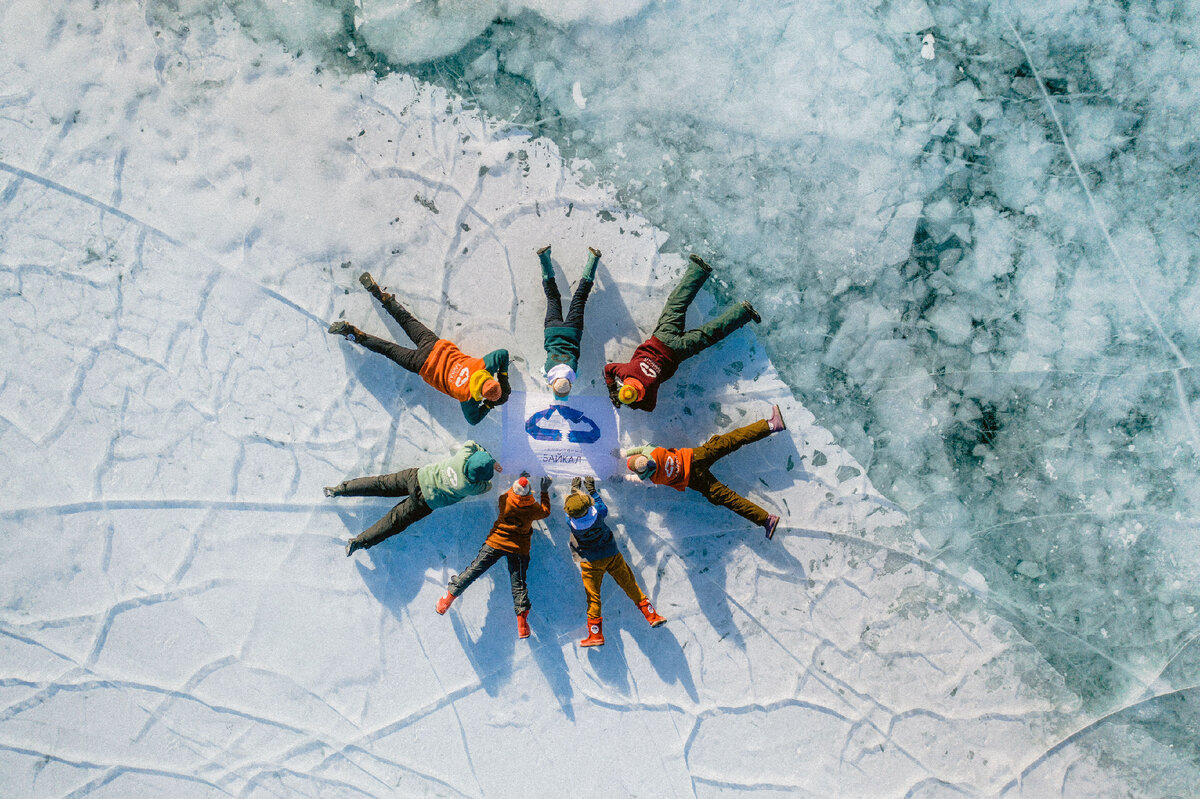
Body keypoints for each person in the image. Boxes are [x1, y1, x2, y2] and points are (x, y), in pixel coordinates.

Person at [329, 272, 510, 424]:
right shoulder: (467, 397)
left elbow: (503, 354)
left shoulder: (483, 366)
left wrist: (503, 378)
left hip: (433, 344)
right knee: (387, 349)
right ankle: (353, 334)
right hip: (421, 364)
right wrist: (489, 405)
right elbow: (473, 420)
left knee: (406, 320)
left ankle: (378, 292)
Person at [603, 254, 760, 412]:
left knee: (710, 333)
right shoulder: (625, 372)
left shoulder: (649, 390)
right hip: (662, 336)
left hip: (677, 352)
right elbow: (608, 369)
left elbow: (649, 407)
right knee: (676, 304)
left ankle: (744, 312)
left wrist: (633, 402)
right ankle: (698, 270)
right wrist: (612, 389)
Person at [624, 405, 785, 539]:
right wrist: (624, 453)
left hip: (694, 480)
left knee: (728, 498)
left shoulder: (652, 479)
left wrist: (623, 477)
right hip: (696, 457)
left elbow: (638, 480)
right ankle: (771, 425)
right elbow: (638, 449)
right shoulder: (654, 451)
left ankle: (766, 520)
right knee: (731, 440)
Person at [326, 440, 501, 556]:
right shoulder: (470, 486)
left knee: (380, 484)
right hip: (424, 502)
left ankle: (341, 489)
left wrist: (488, 457)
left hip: (415, 477)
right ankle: (359, 542)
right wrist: (491, 467)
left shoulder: (462, 457)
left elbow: (471, 444)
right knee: (393, 521)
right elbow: (488, 487)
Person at [435, 474, 552, 639]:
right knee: (518, 585)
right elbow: (545, 512)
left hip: (496, 542)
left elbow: (511, 493)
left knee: (473, 571)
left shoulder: (505, 499)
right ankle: (522, 625)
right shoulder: (532, 509)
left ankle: (446, 601)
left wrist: (518, 480)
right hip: (518, 548)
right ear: (528, 494)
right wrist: (544, 491)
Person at [563, 477, 666, 647]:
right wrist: (592, 490)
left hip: (590, 563)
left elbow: (570, 511)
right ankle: (652, 616)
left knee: (593, 597)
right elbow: (600, 505)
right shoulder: (599, 513)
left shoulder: (571, 523)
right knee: (630, 585)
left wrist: (574, 490)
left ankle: (595, 635)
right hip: (611, 555)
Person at [539, 245, 600, 399]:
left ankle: (593, 259)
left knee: (580, 297)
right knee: (552, 297)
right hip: (552, 330)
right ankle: (544, 258)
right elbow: (543, 371)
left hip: (573, 331)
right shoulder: (547, 370)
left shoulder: (573, 371)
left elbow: (572, 376)